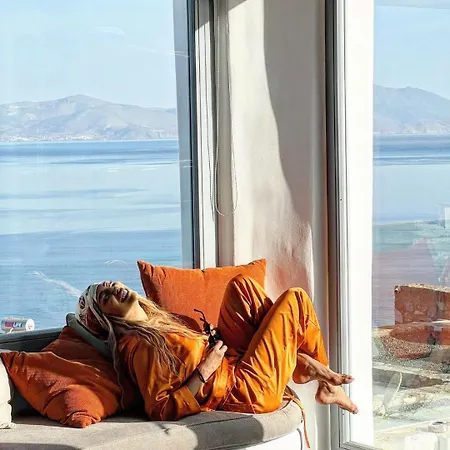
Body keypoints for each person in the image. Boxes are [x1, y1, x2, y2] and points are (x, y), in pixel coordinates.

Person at [76, 275, 357, 428]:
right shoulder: (141, 347)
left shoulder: (158, 323)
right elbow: (160, 409)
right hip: (244, 390)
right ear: (106, 319)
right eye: (105, 297)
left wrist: (210, 343)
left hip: (230, 360)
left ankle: (301, 363)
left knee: (242, 287)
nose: (114, 289)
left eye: (111, 284)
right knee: (296, 299)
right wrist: (204, 371)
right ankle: (322, 382)